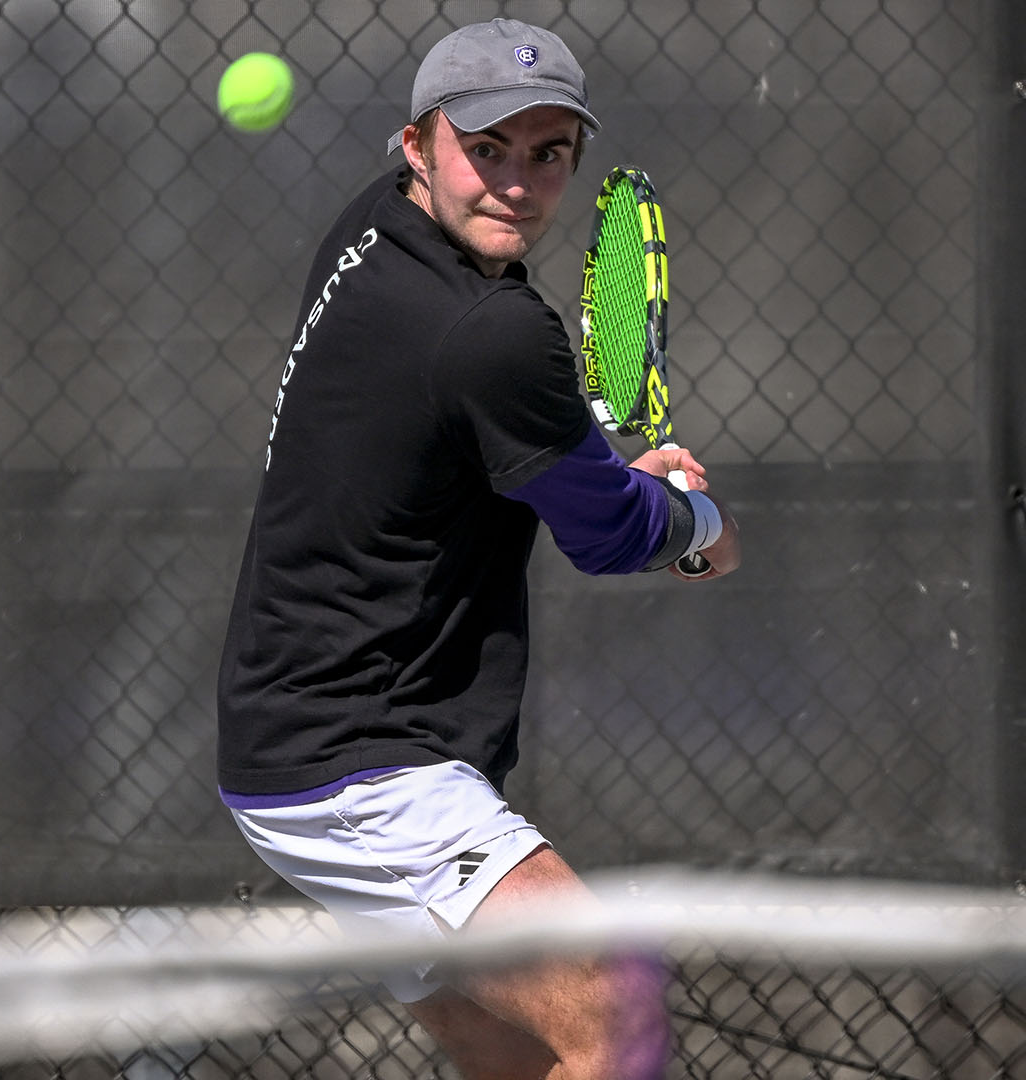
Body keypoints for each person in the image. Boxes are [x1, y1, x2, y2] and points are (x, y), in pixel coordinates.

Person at [215, 17, 740, 1080]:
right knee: (617, 1008)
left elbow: (505, 444)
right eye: (485, 148)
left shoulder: (373, 229)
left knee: (513, 1059)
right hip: (361, 764)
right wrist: (699, 530)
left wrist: (600, 474)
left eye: (548, 154)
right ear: (419, 147)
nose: (516, 182)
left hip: (299, 739)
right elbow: (605, 537)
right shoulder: (492, 333)